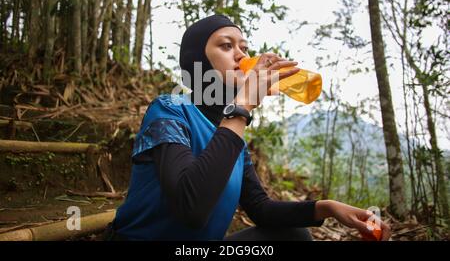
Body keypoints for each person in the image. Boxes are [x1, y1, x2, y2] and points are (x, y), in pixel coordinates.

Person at [104, 15, 391, 241]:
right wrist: (241, 107)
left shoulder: (232, 135)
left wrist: (327, 207)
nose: (241, 56)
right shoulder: (170, 109)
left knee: (294, 236)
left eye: (244, 47)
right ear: (198, 61)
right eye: (226, 46)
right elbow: (190, 208)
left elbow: (261, 209)